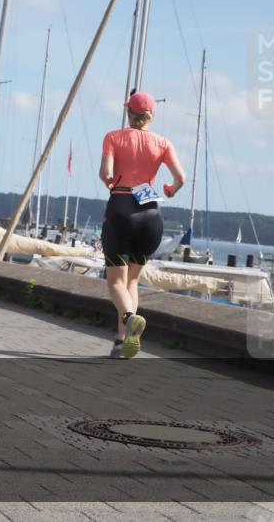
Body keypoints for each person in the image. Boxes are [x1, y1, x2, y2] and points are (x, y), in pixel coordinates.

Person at [99, 92, 186, 359]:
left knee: (116, 282)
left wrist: (111, 181)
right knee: (132, 281)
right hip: (151, 215)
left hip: (121, 209)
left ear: (129, 113)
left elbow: (106, 173)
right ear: (151, 116)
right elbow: (180, 178)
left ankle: (128, 318)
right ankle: (121, 342)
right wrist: (170, 189)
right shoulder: (162, 142)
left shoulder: (114, 137)